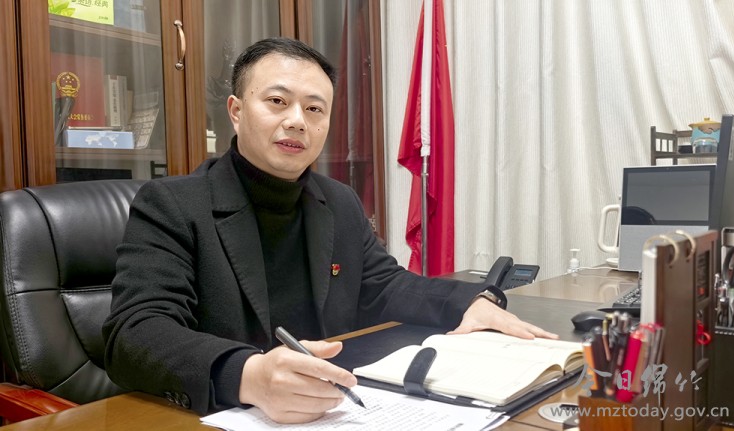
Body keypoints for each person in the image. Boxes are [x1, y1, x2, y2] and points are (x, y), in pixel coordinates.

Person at [102, 37, 557, 424]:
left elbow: (384, 284)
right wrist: (246, 374)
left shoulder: (338, 202)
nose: (297, 120)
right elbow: (135, 332)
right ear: (237, 112)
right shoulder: (173, 204)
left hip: (330, 410)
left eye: (314, 108)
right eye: (277, 101)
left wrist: (468, 302)